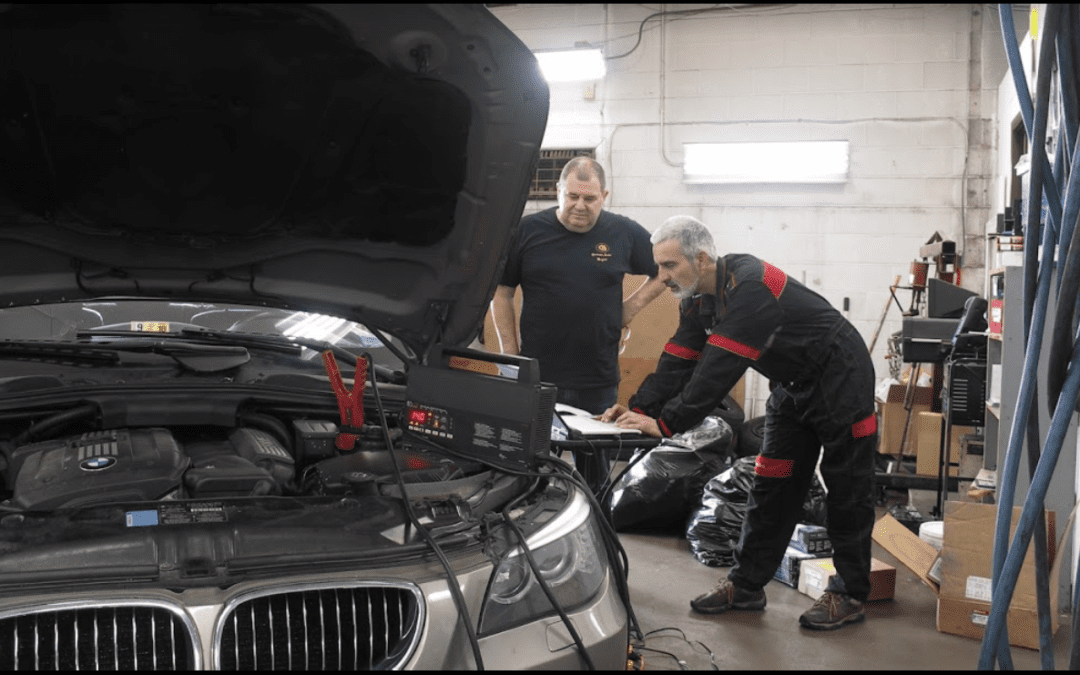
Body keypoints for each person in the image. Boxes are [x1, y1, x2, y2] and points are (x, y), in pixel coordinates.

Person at [600, 215, 878, 631]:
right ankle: (747, 586)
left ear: (702, 258)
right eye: (659, 267)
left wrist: (668, 424)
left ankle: (849, 592)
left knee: (847, 486)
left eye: (670, 266)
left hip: (841, 375)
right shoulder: (697, 300)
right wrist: (638, 409)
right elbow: (678, 358)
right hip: (793, 384)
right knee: (772, 482)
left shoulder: (751, 287)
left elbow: (717, 369)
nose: (662, 277)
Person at [491, 157, 665, 491]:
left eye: (589, 198)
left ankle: (594, 526)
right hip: (538, 375)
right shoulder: (528, 230)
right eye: (572, 196)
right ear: (558, 192)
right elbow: (502, 293)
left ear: (605, 195)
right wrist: (511, 358)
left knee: (594, 475)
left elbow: (663, 271)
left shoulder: (624, 232)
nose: (580, 206)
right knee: (531, 470)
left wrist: (631, 307)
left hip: (597, 379)